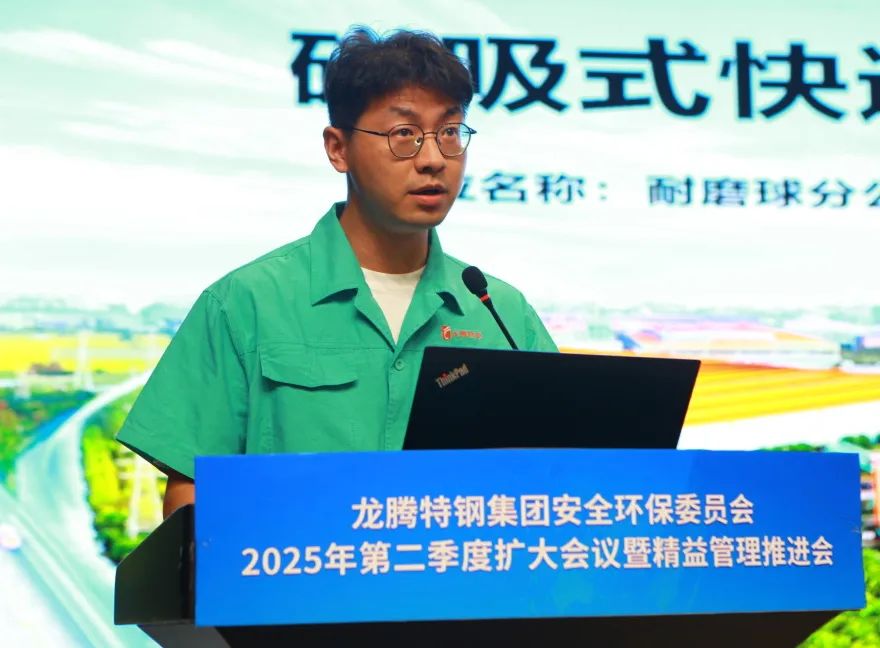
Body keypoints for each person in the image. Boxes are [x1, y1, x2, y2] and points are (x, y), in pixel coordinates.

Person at [116, 27, 556, 518]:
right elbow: (191, 494)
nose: (433, 159)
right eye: (404, 134)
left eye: (450, 132)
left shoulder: (501, 313)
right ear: (337, 148)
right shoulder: (245, 303)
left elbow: (560, 477)